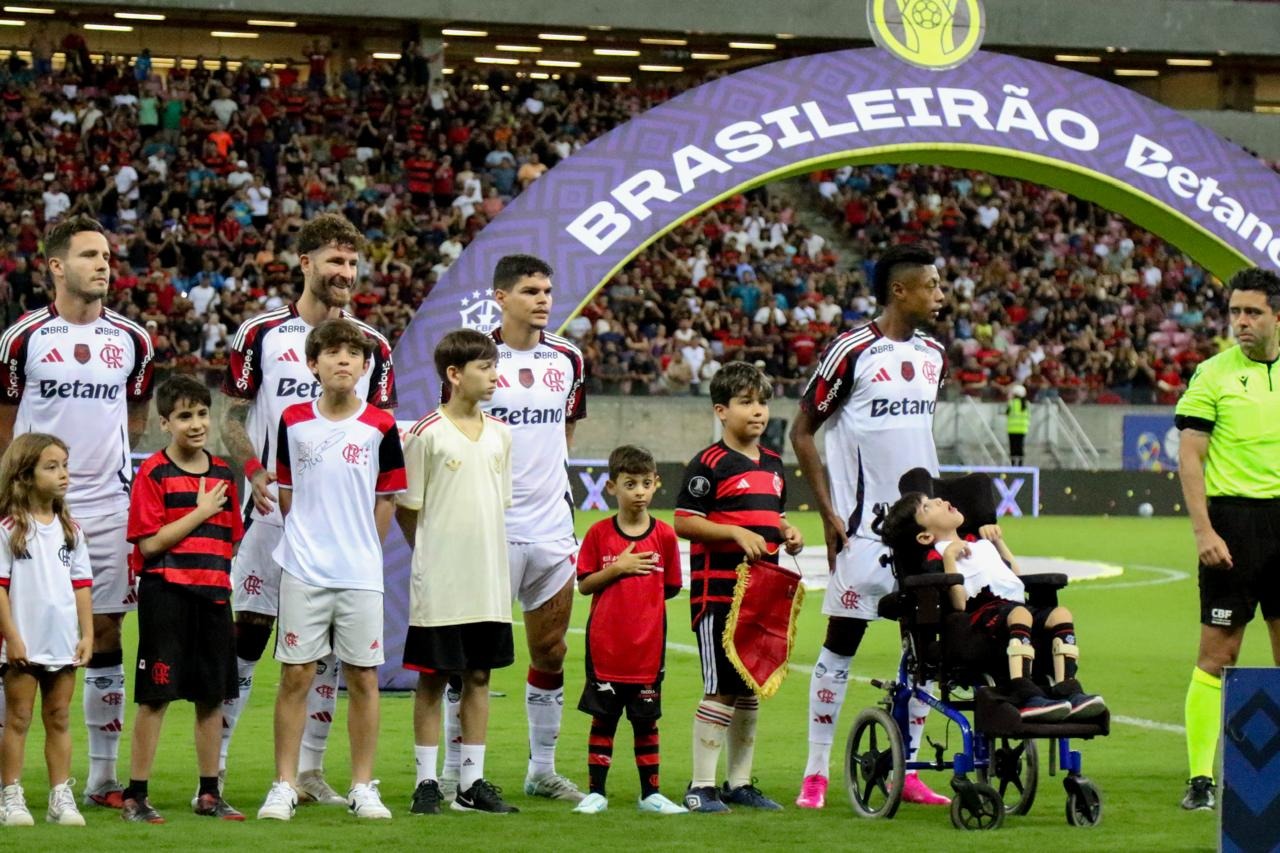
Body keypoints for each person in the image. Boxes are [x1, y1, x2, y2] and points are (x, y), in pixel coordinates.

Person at [219, 213, 395, 804]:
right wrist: (253, 469)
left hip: (340, 527)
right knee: (249, 636)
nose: (345, 273)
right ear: (306, 263)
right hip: (271, 513)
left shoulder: (374, 346)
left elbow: (379, 436)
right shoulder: (261, 334)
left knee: (329, 657)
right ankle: (213, 772)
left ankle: (312, 772)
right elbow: (230, 416)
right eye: (334, 262)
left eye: (352, 264)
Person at [789, 242, 950, 809]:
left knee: (928, 652)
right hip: (864, 534)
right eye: (931, 284)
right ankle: (816, 772)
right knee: (840, 647)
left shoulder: (934, 354)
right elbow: (802, 430)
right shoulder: (851, 351)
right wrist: (828, 511)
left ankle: (906, 768)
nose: (940, 293)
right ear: (899, 291)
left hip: (924, 537)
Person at [0, 215, 153, 810]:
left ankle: (98, 779)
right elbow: (7, 422)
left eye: (107, 256)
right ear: (57, 266)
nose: (103, 265)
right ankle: (13, 781)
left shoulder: (132, 339)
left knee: (107, 629)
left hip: (107, 505)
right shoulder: (22, 339)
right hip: (33, 506)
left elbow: (135, 413)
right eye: (90, 255)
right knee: (20, 635)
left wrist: (111, 471)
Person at [438, 254, 586, 803]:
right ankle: (457, 773)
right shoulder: (475, 358)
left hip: (551, 528)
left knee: (550, 651)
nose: (543, 299)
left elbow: (564, 429)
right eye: (530, 290)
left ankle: (541, 770)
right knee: (472, 659)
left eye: (548, 289)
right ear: (500, 297)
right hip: (489, 529)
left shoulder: (568, 358)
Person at [256, 319, 405, 822]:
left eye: (352, 354)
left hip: (360, 571)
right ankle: (284, 783)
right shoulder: (293, 421)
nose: (343, 360)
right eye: (332, 352)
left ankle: (363, 785)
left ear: (366, 367)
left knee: (363, 677)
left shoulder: (381, 426)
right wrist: (310, 539)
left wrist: (363, 547)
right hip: (303, 568)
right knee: (296, 674)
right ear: (312, 363)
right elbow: (287, 491)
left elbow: (387, 496)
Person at [395, 329, 518, 816]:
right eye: (484, 367)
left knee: (480, 675)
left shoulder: (501, 435)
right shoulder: (427, 433)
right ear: (454, 374)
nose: (494, 376)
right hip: (441, 581)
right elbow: (409, 509)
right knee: (432, 677)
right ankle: (426, 782)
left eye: (494, 366)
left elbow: (498, 504)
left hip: (487, 580)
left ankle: (471, 783)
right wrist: (429, 554)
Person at [675, 362, 803, 813]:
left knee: (750, 685)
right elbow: (684, 521)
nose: (758, 411)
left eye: (762, 402)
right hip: (719, 595)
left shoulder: (773, 465)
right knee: (721, 686)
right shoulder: (708, 463)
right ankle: (700, 786)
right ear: (721, 411)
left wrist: (787, 530)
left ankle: (739, 782)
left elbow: (770, 515)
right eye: (746, 402)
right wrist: (732, 534)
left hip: (761, 595)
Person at [1174, 267, 1280, 812]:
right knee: (1219, 653)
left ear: (1277, 316)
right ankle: (1200, 779)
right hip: (1232, 528)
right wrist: (1203, 530)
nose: (1240, 321)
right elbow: (1190, 457)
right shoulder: (1213, 374)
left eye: (1252, 312)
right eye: (1235, 311)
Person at [121, 376, 245, 823]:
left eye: (201, 414)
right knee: (156, 695)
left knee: (212, 696)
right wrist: (200, 511)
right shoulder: (154, 472)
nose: (196, 424)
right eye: (185, 416)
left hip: (212, 596)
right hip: (166, 595)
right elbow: (149, 545)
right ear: (165, 422)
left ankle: (209, 793)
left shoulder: (223, 474)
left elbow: (229, 540)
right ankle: (135, 796)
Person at [881, 492, 1107, 720]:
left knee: (1060, 614)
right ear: (925, 537)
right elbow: (958, 603)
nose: (939, 501)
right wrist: (950, 557)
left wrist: (999, 543)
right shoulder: (935, 557)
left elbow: (1016, 579)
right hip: (982, 617)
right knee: (1020, 614)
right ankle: (1024, 692)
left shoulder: (980, 545)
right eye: (927, 507)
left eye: (934, 499)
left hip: (1015, 608)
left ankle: (1067, 689)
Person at [571, 445, 686, 816]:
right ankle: (596, 793)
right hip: (606, 649)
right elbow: (585, 585)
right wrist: (618, 568)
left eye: (646, 483)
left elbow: (670, 588)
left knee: (646, 722)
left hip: (647, 652)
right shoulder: (598, 534)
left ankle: (650, 793)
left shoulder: (665, 536)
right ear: (611, 488)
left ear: (656, 485)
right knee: (603, 720)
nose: (639, 491)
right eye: (630, 483)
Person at [0, 434, 92, 827]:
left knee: (59, 718)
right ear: (25, 474)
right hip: (24, 641)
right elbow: (0, 588)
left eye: (65, 466)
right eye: (51, 467)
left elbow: (82, 585)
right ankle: (11, 796)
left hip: (62, 642)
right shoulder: (9, 527)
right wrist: (13, 636)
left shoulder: (71, 528)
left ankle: (60, 796)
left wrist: (86, 634)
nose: (63, 475)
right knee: (18, 718)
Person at [1007, 384, 1029, 466]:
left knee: (1013, 448)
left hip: (1012, 429)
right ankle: (1020, 464)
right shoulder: (1026, 404)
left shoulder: (1012, 403)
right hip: (1022, 429)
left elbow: (1007, 413)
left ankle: (1013, 464)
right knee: (1020, 448)